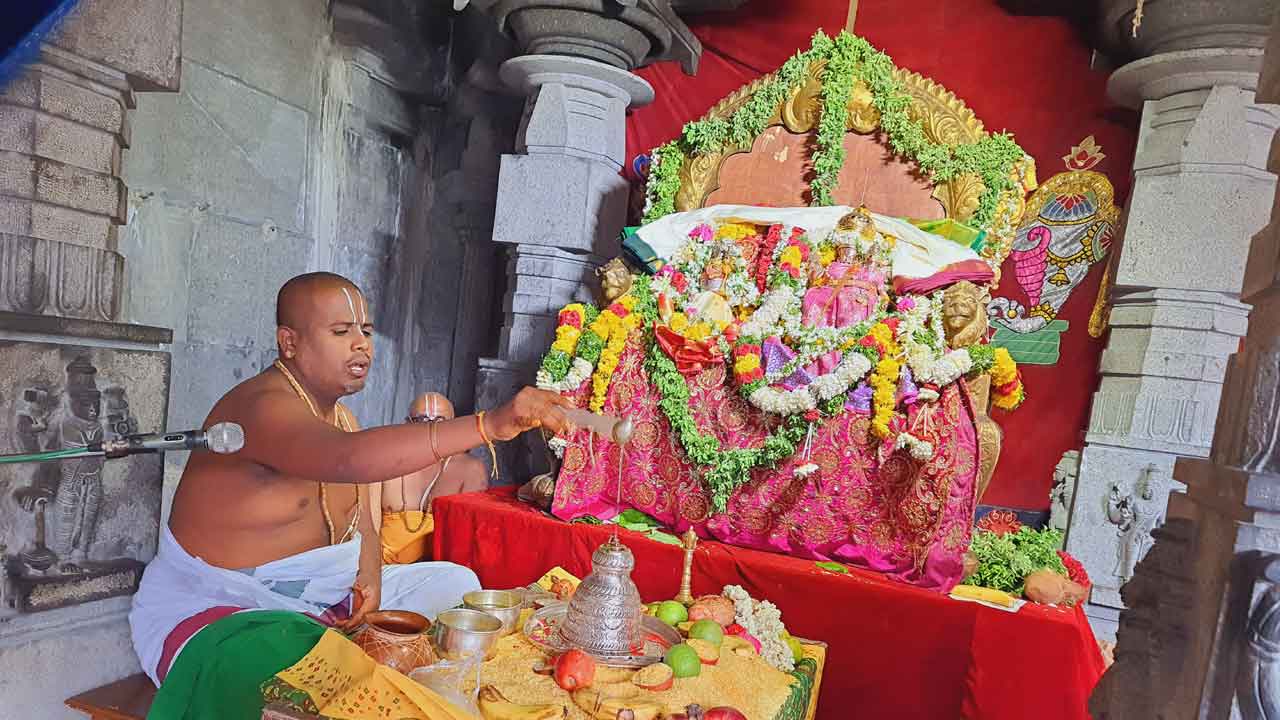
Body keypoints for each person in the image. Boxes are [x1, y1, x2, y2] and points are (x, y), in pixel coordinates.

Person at [129, 272, 572, 712]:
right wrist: (488, 425)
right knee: (302, 669)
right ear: (289, 343)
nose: (362, 344)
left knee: (455, 583)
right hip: (229, 610)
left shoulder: (342, 419)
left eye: (366, 331)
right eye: (342, 331)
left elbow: (366, 523)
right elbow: (349, 459)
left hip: (327, 598)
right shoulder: (257, 407)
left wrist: (370, 573)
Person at [375, 392, 489, 564]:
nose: (431, 428)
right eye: (421, 420)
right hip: (381, 569)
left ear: (453, 426)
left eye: (440, 422)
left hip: (434, 573)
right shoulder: (385, 462)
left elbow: (464, 543)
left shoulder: (470, 470)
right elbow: (366, 528)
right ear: (407, 424)